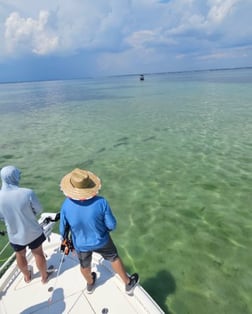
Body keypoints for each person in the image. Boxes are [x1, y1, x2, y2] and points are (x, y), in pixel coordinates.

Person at [59, 168, 139, 294]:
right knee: (114, 258)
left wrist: (67, 246)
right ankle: (128, 283)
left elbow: (63, 229)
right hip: (102, 240)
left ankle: (90, 284)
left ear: (72, 189)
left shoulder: (66, 205)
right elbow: (112, 225)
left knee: (84, 265)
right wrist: (103, 230)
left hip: (80, 244)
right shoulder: (101, 202)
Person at [0, 165, 53, 284]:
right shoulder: (27, 193)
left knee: (20, 255)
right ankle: (44, 277)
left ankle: (27, 277)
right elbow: (38, 209)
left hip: (14, 234)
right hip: (33, 231)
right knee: (38, 253)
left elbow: (1, 217)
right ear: (14, 177)